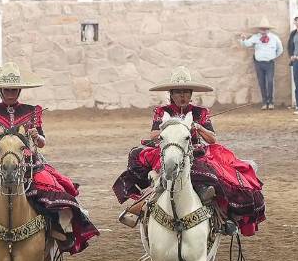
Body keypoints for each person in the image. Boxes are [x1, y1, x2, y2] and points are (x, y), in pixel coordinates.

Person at [0, 63, 99, 253]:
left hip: (29, 163)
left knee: (58, 189)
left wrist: (36, 136)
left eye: (14, 89)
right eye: (7, 89)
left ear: (19, 90)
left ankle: (61, 229)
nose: (11, 93)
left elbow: (42, 143)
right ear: (0, 90)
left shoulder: (33, 111)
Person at [113, 67, 266, 237]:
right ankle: (144, 204)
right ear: (171, 94)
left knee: (218, 175)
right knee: (145, 162)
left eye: (186, 92)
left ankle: (223, 215)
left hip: (193, 150)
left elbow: (212, 139)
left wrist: (198, 127)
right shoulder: (161, 111)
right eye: (178, 92)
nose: (183, 96)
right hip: (168, 147)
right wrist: (175, 126)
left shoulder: (200, 112)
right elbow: (154, 134)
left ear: (191, 94)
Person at [239, 20, 282, 110]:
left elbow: (280, 49)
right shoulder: (255, 37)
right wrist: (243, 39)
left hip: (270, 63)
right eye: (262, 29)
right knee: (261, 82)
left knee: (270, 81)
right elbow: (246, 44)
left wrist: (273, 57)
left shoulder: (274, 38)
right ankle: (264, 101)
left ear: (268, 29)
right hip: (259, 63)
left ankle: (270, 102)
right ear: (259, 30)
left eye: (266, 29)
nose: (264, 30)